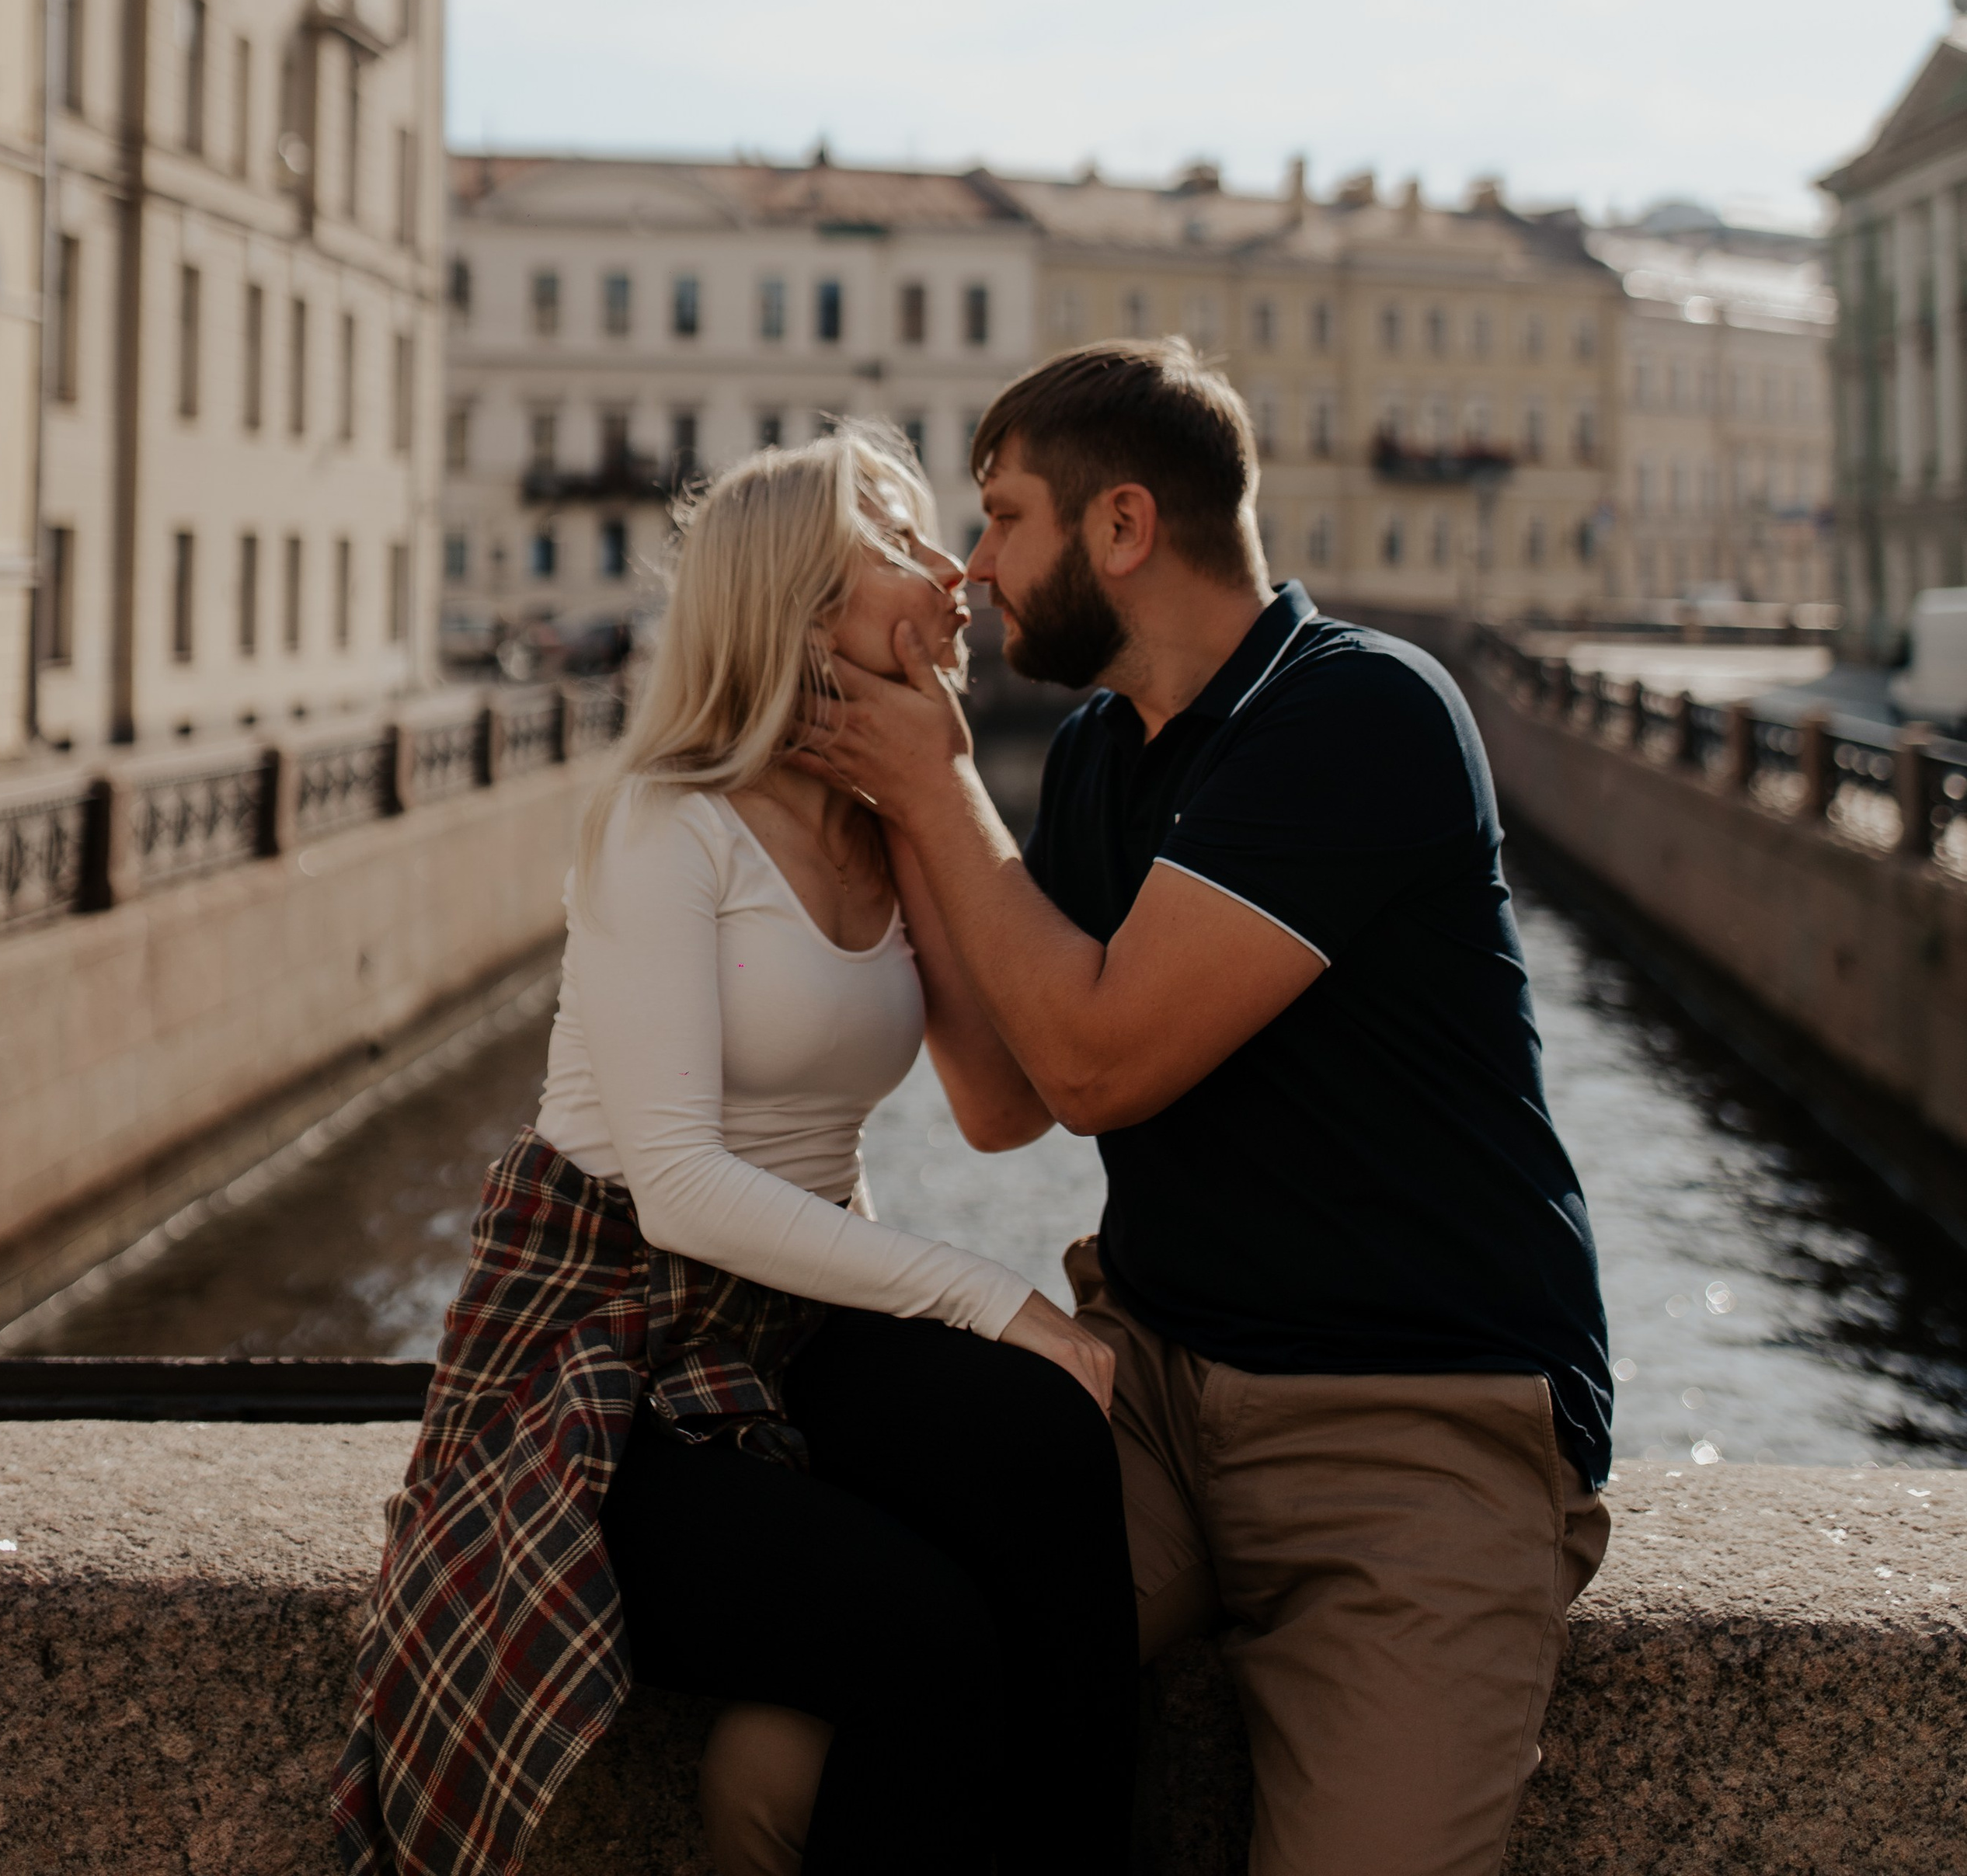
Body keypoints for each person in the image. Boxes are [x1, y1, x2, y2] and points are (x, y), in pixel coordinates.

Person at [759, 337, 1613, 1876]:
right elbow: (1004, 1099)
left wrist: (940, 791)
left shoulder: (1360, 714)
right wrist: (906, 798)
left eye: (1002, 517)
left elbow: (1099, 1067)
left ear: (1122, 526)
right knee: (784, 1771)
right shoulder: (1102, 750)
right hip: (1153, 1391)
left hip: (1412, 1434)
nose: (974, 567)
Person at [332, 427, 1137, 1876]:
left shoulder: (889, 823)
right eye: (901, 542)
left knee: (1047, 1449)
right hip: (600, 1351)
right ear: (801, 606)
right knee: (922, 1638)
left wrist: (941, 790)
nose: (954, 570)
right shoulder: (671, 823)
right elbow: (683, 1188)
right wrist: (989, 1297)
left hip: (783, 1324)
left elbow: (985, 1104)